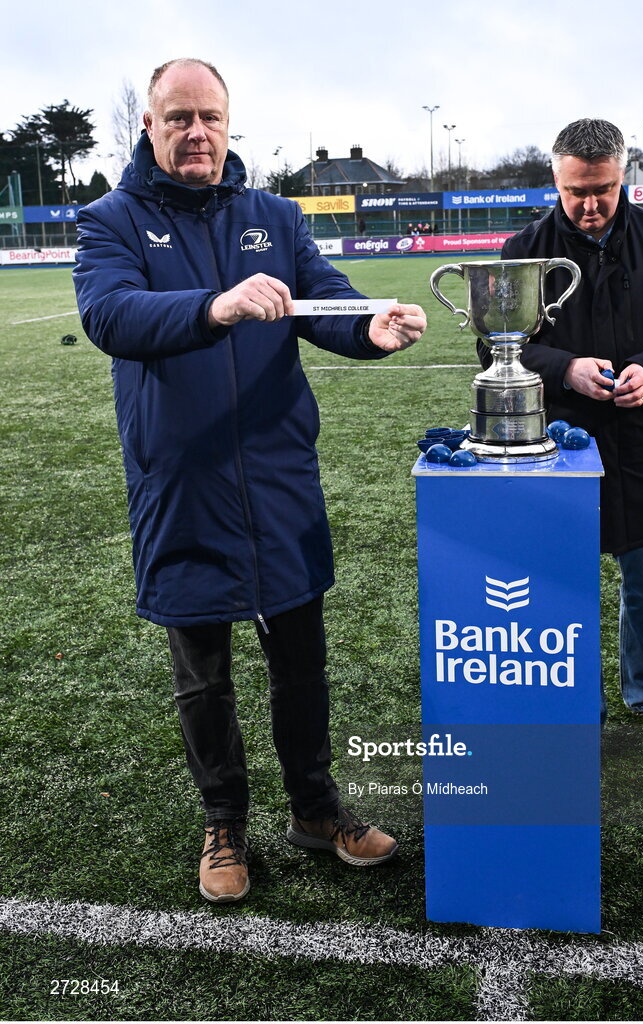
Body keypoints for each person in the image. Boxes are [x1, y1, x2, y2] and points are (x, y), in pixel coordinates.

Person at [73, 57, 426, 903]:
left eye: (211, 119)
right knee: (203, 673)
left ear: (230, 127)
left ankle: (315, 807)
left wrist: (367, 325)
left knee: (302, 662)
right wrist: (214, 305)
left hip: (278, 478)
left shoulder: (274, 214)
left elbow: (325, 298)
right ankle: (223, 820)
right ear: (150, 127)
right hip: (181, 483)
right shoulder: (110, 220)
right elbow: (109, 314)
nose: (197, 133)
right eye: (179, 118)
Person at [479, 118, 643, 750]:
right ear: (555, 180)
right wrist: (566, 368)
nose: (590, 205)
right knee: (560, 587)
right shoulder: (524, 249)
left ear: (625, 177)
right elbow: (495, 346)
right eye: (576, 191)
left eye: (604, 190)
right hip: (555, 447)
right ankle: (570, 706)